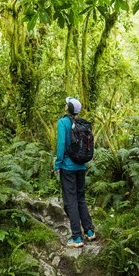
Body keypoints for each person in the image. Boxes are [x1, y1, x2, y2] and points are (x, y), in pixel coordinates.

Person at [55, 96, 97, 248]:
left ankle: (76, 237)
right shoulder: (81, 124)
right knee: (81, 198)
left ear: (68, 108)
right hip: (81, 166)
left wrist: (57, 164)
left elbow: (61, 145)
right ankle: (90, 231)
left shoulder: (63, 122)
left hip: (67, 167)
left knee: (70, 200)